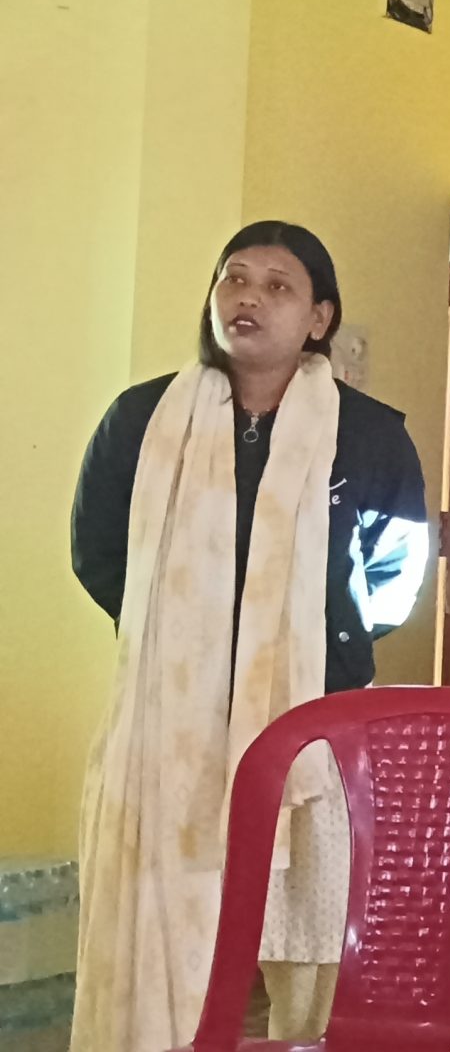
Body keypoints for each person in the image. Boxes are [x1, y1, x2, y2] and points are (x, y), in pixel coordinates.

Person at [70, 221, 431, 1049]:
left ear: (319, 318)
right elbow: (98, 549)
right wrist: (180, 644)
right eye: (234, 277)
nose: (249, 298)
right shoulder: (141, 419)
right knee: (160, 911)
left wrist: (320, 646)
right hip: (168, 721)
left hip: (315, 716)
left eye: (278, 285)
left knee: (308, 921)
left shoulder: (369, 434)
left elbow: (395, 572)